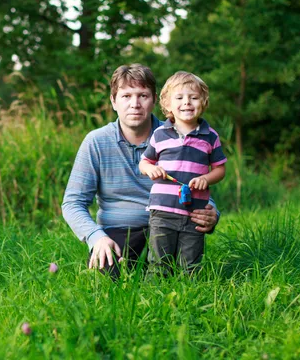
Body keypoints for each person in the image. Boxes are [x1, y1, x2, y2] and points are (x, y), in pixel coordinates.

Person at [61, 64, 219, 279]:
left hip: (171, 223)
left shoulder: (177, 135)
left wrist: (212, 212)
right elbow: (72, 202)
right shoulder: (96, 142)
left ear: (155, 100)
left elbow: (195, 181)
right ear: (113, 101)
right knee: (111, 276)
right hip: (119, 230)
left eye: (142, 95)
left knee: (181, 277)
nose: (134, 104)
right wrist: (95, 236)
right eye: (126, 96)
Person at [139, 71, 226, 274]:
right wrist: (151, 169)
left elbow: (220, 169)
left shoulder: (210, 136)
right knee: (159, 262)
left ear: (203, 103)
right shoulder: (160, 134)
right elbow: (144, 162)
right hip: (162, 211)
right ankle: (155, 296)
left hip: (194, 213)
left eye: (193, 97)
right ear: (168, 105)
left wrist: (206, 178)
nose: (187, 102)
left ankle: (188, 294)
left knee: (190, 265)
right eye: (179, 98)